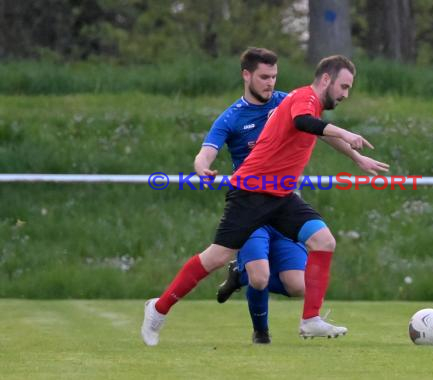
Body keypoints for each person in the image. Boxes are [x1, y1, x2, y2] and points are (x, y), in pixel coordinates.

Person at [141, 54, 389, 346]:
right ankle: (157, 310)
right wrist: (346, 132)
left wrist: (356, 157)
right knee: (217, 257)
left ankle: (310, 320)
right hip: (251, 192)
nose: (346, 94)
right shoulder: (302, 99)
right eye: (344, 86)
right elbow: (305, 122)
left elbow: (316, 128)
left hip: (281, 195)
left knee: (324, 241)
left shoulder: (297, 100)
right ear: (326, 80)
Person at [194, 47, 309, 344]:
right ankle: (261, 332)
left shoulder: (288, 103)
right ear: (246, 75)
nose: (270, 83)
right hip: (251, 205)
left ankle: (239, 276)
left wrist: (351, 146)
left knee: (299, 286)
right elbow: (206, 152)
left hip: (284, 203)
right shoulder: (230, 118)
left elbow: (318, 126)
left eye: (274, 76)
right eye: (264, 77)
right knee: (260, 277)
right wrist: (202, 167)